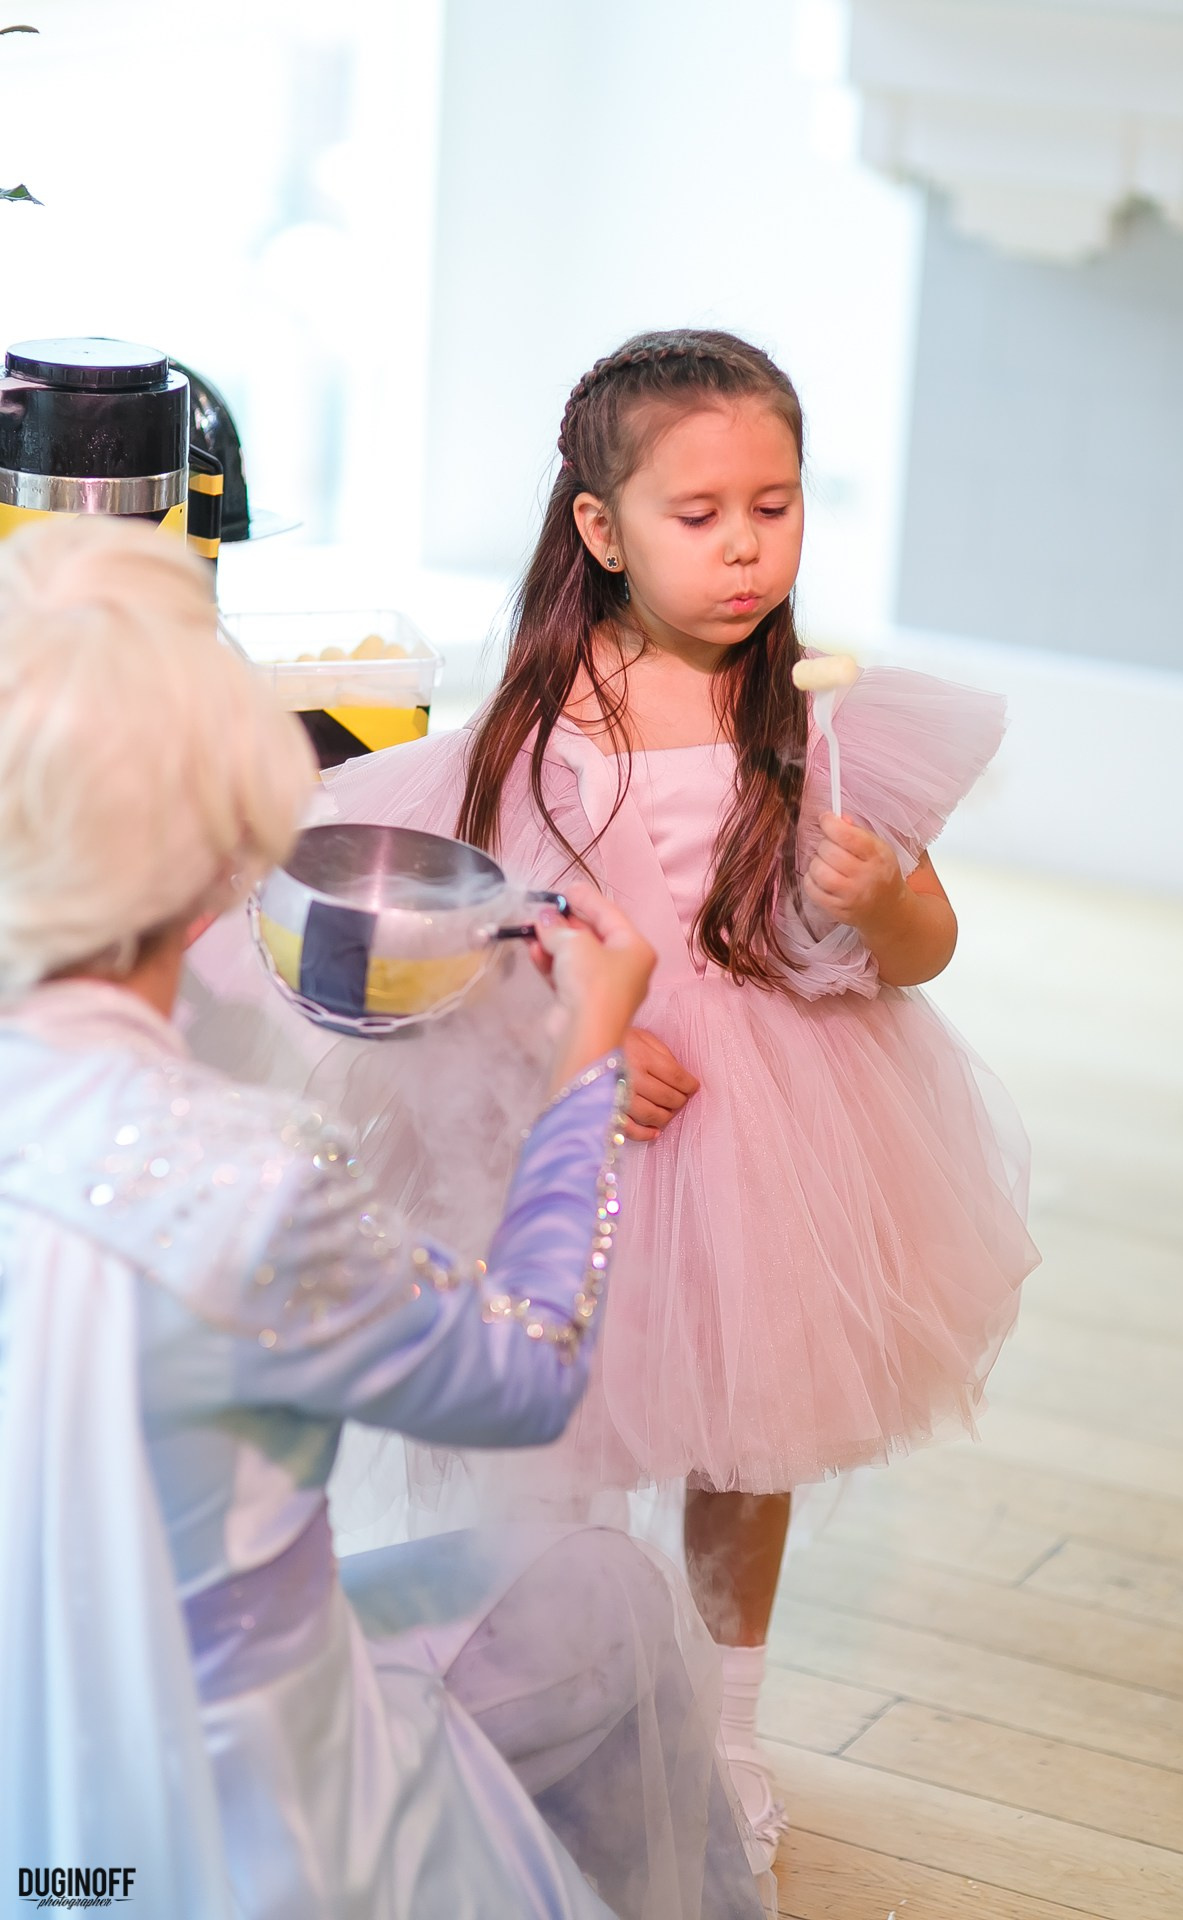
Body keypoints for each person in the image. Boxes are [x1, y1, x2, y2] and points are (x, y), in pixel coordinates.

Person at [192, 328, 1041, 1870]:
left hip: (785, 1120)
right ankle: (571, 1702)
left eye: (773, 509)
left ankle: (723, 1722)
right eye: (698, 515)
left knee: (750, 1423)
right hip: (596, 1120)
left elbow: (922, 951)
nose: (743, 550)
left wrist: (879, 897)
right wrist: (559, 1029)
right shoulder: (546, 720)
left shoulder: (823, 727)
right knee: (576, 1418)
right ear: (602, 528)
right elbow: (479, 928)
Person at [0, 517, 766, 1919]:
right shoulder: (248, 1186)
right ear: (218, 863)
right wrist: (585, 1066)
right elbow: (522, 1366)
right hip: (230, 1832)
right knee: (608, 1593)